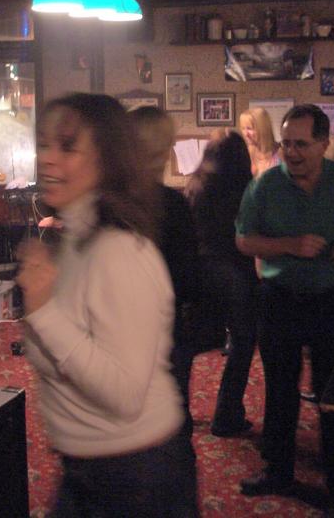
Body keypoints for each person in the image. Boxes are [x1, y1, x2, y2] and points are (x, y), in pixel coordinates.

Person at [16, 93, 198, 517]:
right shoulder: (75, 239)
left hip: (136, 474)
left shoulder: (119, 253)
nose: (47, 158)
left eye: (67, 146)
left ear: (107, 159)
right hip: (92, 468)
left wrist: (43, 312)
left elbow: (124, 394)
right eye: (43, 144)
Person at [236, 104, 334, 516]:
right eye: (287, 144)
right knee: (280, 391)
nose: (292, 152)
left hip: (332, 300)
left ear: (322, 143)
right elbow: (244, 241)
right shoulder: (265, 186)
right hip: (279, 299)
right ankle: (277, 471)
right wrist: (288, 245)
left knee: (333, 397)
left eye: (301, 144)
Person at [129, 105, 201, 439]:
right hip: (162, 323)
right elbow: (186, 277)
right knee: (171, 411)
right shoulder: (171, 205)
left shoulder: (107, 202)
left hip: (120, 324)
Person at [185, 130, 256, 437]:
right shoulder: (246, 190)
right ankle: (227, 413)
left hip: (201, 267)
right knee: (242, 342)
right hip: (236, 269)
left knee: (190, 343)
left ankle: (179, 413)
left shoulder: (195, 185)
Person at [239, 107, 280, 177]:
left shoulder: (280, 154)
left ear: (263, 128)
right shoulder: (243, 154)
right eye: (243, 128)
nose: (246, 134)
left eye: (249, 128)